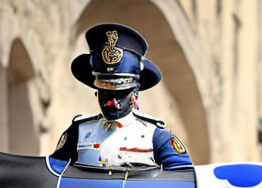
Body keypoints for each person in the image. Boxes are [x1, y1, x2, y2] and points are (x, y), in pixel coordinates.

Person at [51, 23, 193, 170]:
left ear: (135, 94)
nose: (112, 102)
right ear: (96, 93)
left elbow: (183, 181)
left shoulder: (157, 138)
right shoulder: (78, 133)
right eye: (105, 93)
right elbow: (53, 178)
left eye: (120, 93)